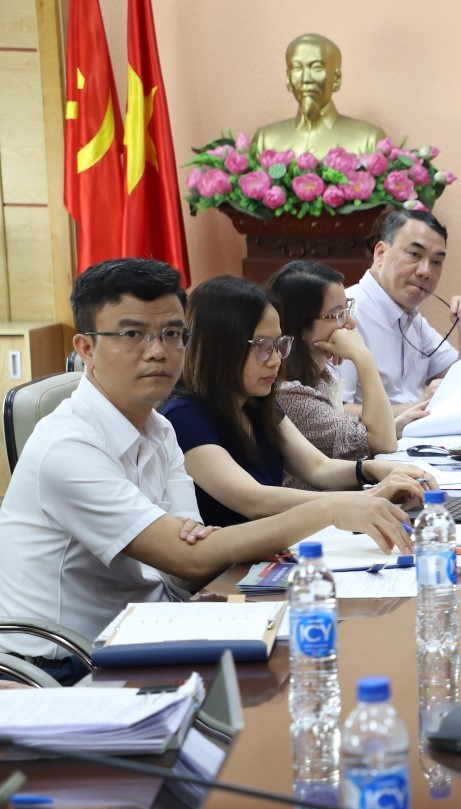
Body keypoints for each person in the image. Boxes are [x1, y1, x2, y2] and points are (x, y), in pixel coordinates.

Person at [0, 260, 412, 684]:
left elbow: (189, 555)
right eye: (132, 334)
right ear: (86, 349)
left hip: (149, 629)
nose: (158, 351)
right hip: (69, 664)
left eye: (172, 334)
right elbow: (191, 558)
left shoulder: (158, 429)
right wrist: (332, 509)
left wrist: (197, 547)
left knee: (324, 652)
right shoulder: (68, 447)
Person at [162, 276, 433, 528]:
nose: (276, 360)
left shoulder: (256, 402)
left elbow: (318, 468)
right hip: (229, 559)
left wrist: (376, 469)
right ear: (221, 348)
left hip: (271, 548)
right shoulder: (184, 417)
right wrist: (369, 496)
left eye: (279, 345)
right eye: (263, 347)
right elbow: (255, 501)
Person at [270, 261, 430, 479]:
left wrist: (392, 427)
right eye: (337, 315)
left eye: (347, 309)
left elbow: (372, 437)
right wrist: (363, 357)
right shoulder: (291, 395)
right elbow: (382, 443)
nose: (351, 323)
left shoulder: (320, 377)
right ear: (300, 327)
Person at [339, 208, 461, 410]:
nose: (426, 271)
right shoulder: (345, 314)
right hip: (383, 432)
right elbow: (338, 411)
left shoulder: (413, 318)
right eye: (415, 254)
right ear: (380, 253)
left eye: (436, 262)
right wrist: (420, 407)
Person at [250, 33, 386, 156]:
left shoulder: (369, 139)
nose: (306, 79)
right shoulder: (265, 140)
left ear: (336, 78)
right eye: (297, 68)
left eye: (317, 67)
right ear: (288, 78)